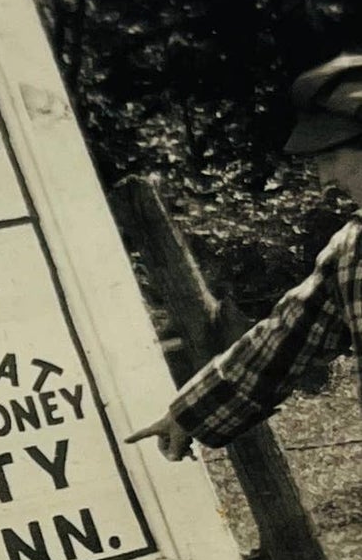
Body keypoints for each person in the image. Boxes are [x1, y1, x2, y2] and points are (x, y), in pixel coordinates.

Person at [129, 53, 362, 460]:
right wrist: (188, 416)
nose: (326, 179)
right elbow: (282, 341)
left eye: (330, 158)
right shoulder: (352, 252)